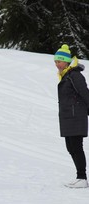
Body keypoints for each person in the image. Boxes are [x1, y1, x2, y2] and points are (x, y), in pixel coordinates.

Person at [54, 44, 89, 188]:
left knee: (76, 146)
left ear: (67, 61)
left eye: (59, 61)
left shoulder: (74, 75)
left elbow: (85, 93)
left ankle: (82, 177)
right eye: (55, 61)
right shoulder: (66, 76)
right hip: (68, 117)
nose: (57, 64)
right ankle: (80, 177)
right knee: (70, 147)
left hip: (76, 117)